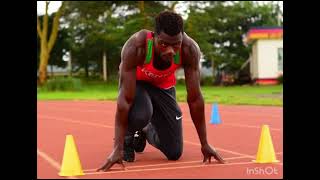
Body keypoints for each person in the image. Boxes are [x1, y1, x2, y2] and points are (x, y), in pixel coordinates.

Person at [98, 11, 225, 172]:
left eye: (175, 44)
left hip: (164, 88)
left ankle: (145, 130)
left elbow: (195, 99)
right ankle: (128, 138)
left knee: (174, 152)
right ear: (154, 36)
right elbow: (125, 100)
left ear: (182, 38)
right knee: (141, 114)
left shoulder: (189, 49)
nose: (171, 51)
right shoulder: (137, 46)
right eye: (164, 44)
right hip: (139, 85)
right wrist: (118, 146)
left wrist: (204, 143)